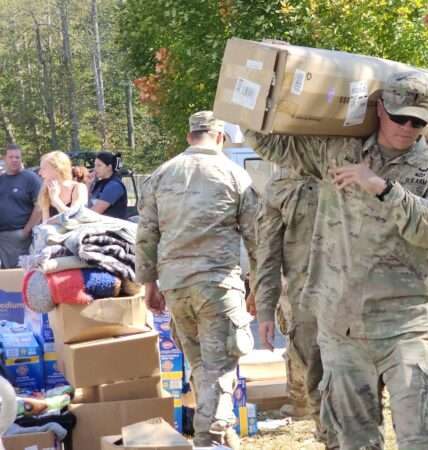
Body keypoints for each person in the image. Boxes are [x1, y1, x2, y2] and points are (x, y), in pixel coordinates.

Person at [245, 71, 428, 450]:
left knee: (420, 437)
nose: (407, 128)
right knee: (354, 440)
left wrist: (383, 188)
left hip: (405, 327)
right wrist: (265, 78)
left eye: (417, 121)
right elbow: (272, 144)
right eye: (400, 117)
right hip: (342, 328)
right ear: (380, 109)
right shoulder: (338, 152)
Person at [135, 111, 259, 449]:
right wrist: (259, 286)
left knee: (202, 364)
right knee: (218, 368)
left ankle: (224, 434)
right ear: (219, 137)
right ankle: (211, 438)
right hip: (217, 284)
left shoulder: (161, 175)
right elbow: (255, 236)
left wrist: (149, 283)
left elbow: (146, 234)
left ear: (190, 137)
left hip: (176, 285)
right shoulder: (234, 174)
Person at [254, 168, 333, 446]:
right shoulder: (283, 183)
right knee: (318, 383)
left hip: (359, 300)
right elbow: (268, 252)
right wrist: (265, 309)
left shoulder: (357, 164)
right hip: (308, 303)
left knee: (362, 390)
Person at [0, 144, 41, 268]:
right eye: (11, 157)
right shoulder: (1, 179)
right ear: (4, 159)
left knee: (19, 274)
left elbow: (39, 207)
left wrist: (26, 231)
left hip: (20, 236)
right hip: (2, 237)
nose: (14, 160)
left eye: (17, 157)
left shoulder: (30, 178)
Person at [37, 151, 88, 224]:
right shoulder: (46, 188)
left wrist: (55, 199)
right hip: (54, 234)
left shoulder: (78, 188)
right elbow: (45, 223)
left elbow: (74, 218)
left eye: (43, 168)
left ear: (57, 169)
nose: (39, 173)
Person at [89, 152, 128, 220]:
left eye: (99, 165)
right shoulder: (99, 183)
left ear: (109, 167)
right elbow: (87, 203)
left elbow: (94, 212)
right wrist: (88, 184)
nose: (95, 169)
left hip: (112, 228)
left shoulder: (114, 186)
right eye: (95, 165)